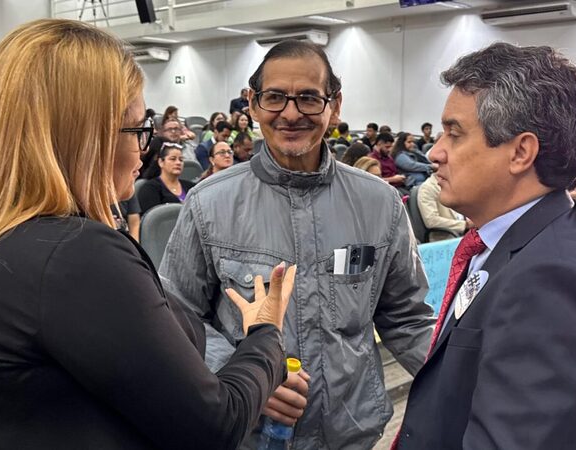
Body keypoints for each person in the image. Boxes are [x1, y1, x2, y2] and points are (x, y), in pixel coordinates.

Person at [0, 19, 294, 449]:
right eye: (140, 131)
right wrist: (266, 336)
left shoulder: (6, 238)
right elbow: (215, 424)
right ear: (86, 138)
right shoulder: (74, 255)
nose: (144, 150)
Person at [160, 39, 433, 450]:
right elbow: (178, 316)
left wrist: (473, 384)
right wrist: (247, 375)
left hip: (352, 434)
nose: (290, 113)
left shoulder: (379, 204)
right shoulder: (208, 203)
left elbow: (408, 318)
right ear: (253, 104)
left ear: (334, 106)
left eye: (308, 98)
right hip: (250, 434)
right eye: (274, 98)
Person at [396, 42, 576, 449]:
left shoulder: (549, 279)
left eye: (454, 133)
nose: (435, 152)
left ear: (521, 152)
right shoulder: (533, 237)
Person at [137, 142, 195, 213]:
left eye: (181, 159)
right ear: (161, 162)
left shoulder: (191, 187)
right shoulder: (150, 188)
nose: (178, 163)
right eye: (173, 159)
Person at [417, 173, 469, 242]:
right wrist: (465, 225)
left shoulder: (456, 181)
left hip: (467, 233)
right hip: (447, 238)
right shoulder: (427, 188)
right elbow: (432, 221)